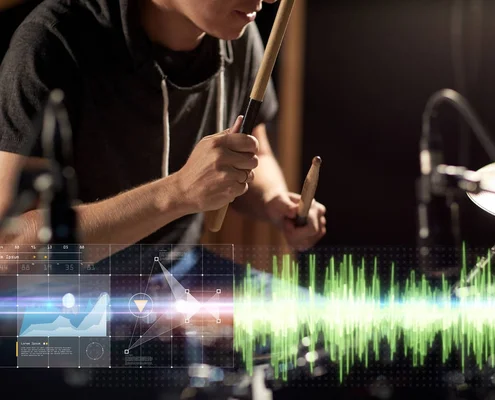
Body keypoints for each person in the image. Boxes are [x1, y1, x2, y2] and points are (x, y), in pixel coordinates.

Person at [0, 0, 326, 253]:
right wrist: (178, 192)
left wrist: (274, 201)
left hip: (176, 274)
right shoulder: (52, 42)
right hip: (72, 297)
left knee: (330, 335)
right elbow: (11, 246)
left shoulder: (239, 31)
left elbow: (256, 151)